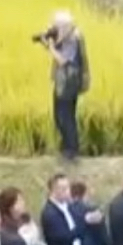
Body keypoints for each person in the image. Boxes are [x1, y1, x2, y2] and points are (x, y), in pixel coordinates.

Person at [41, 11, 88, 161]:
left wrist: (50, 47)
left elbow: (62, 60)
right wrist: (49, 43)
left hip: (68, 81)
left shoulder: (73, 38)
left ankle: (71, 149)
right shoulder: (68, 36)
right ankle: (68, 147)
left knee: (65, 116)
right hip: (64, 80)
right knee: (60, 116)